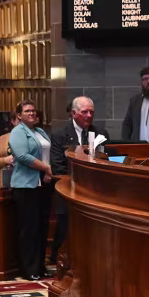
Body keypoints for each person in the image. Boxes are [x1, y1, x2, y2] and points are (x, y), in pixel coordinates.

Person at [48, 96, 106, 266]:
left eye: (91, 112)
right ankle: (61, 262)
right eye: (84, 112)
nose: (89, 115)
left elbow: (105, 161)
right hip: (69, 189)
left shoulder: (101, 134)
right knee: (66, 228)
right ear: (73, 114)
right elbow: (57, 165)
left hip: (94, 191)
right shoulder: (60, 135)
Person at [8, 100, 52, 281]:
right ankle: (28, 269)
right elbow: (23, 156)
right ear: (19, 115)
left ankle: (40, 266)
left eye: (33, 110)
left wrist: (47, 171)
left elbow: (46, 154)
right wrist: (46, 168)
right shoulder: (18, 132)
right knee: (29, 229)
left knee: (42, 227)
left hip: (43, 184)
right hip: (25, 185)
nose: (31, 113)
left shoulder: (39, 131)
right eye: (27, 111)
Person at [0, 112, 18, 188]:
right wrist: (5, 160)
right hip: (4, 182)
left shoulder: (32, 138)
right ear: (13, 121)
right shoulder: (3, 138)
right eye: (20, 120)